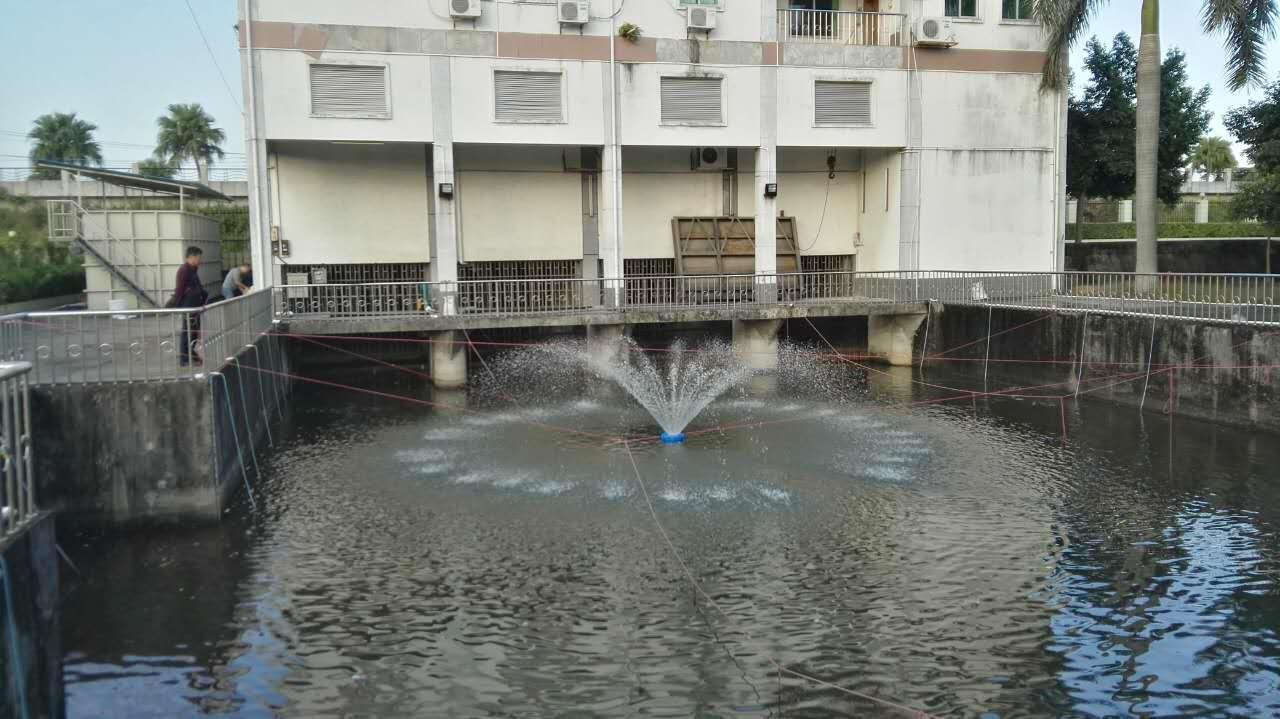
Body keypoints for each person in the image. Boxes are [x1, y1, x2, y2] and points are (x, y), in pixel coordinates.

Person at [172, 246, 208, 366]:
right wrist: (178, 306)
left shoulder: (193, 269)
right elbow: (179, 290)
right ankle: (184, 359)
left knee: (193, 332)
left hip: (195, 306)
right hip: (188, 306)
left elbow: (197, 286)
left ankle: (192, 355)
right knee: (187, 332)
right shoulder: (184, 270)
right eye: (198, 257)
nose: (200, 260)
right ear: (192, 257)